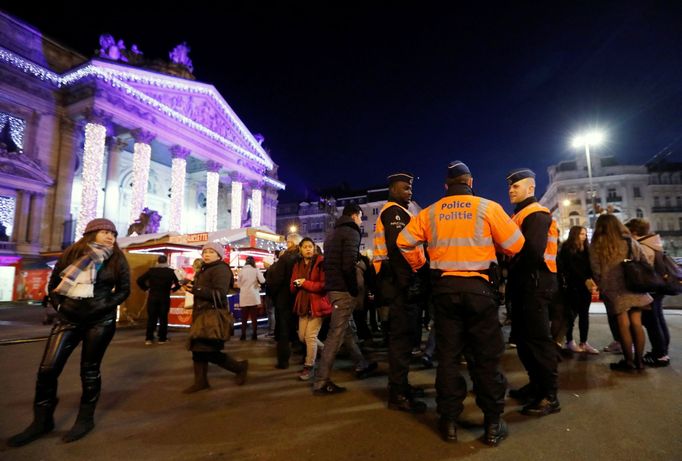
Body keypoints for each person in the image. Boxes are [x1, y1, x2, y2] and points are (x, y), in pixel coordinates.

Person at [397, 161, 524, 446]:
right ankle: (492, 422)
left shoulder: (430, 212)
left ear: (446, 186)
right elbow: (516, 244)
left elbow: (404, 241)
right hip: (480, 290)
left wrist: (421, 263)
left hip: (444, 291)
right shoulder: (487, 207)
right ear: (470, 181)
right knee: (485, 358)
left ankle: (449, 421)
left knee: (449, 358)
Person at [7, 218, 130, 446]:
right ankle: (42, 421)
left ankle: (85, 419)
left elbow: (124, 290)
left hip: (100, 321)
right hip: (68, 319)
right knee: (47, 369)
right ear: (91, 234)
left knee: (89, 370)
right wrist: (60, 307)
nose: (110, 236)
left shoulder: (117, 258)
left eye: (112, 232)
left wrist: (104, 305)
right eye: (104, 232)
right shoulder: (71, 254)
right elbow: (54, 284)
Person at [505, 168, 561, 417]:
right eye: (510, 186)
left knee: (538, 342)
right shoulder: (520, 215)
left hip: (535, 284)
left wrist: (511, 271)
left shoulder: (536, 214)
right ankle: (536, 386)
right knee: (526, 342)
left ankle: (549, 396)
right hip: (527, 284)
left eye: (516, 186)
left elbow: (531, 254)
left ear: (531, 188)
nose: (511, 189)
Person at [373, 172, 427, 414]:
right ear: (393, 189)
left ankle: (402, 386)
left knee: (403, 340)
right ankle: (397, 393)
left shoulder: (401, 212)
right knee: (400, 340)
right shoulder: (393, 212)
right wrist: (410, 281)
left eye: (410, 188)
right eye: (405, 188)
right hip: (398, 283)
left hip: (398, 282)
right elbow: (398, 250)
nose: (409, 192)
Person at [313, 204, 377, 395]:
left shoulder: (332, 233)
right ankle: (321, 381)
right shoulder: (351, 232)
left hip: (332, 287)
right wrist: (353, 288)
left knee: (345, 331)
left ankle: (361, 363)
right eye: (360, 217)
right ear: (355, 215)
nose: (361, 221)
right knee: (336, 334)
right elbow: (348, 264)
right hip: (343, 289)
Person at [589, 215, 652, 371]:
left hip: (614, 291)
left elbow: (596, 271)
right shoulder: (630, 242)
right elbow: (645, 262)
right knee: (637, 324)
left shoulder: (597, 245)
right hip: (634, 287)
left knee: (623, 325)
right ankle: (640, 362)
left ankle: (628, 362)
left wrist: (604, 284)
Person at [183, 242, 247, 393]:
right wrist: (192, 287)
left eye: (211, 252)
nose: (207, 254)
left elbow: (219, 293)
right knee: (197, 349)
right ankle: (201, 382)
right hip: (202, 316)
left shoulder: (221, 269)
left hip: (212, 316)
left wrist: (196, 289)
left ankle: (239, 367)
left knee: (209, 351)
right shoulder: (205, 269)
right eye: (205, 251)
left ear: (219, 255)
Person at [625, 218, 671, 367]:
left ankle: (660, 354)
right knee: (658, 319)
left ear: (634, 232)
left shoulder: (643, 246)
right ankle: (662, 351)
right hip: (659, 286)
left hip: (650, 288)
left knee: (652, 322)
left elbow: (642, 268)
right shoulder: (653, 242)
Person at [291, 237, 330, 380]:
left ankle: (309, 366)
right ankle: (327, 351)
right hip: (303, 304)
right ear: (300, 249)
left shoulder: (321, 262)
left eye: (310, 246)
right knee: (302, 337)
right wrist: (296, 285)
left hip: (317, 304)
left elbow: (323, 285)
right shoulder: (298, 264)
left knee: (310, 336)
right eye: (305, 247)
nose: (308, 249)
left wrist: (305, 283)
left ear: (314, 248)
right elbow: (292, 284)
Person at [557, 226, 599, 354]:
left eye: (585, 234)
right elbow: (569, 267)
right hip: (572, 286)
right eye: (581, 234)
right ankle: (569, 341)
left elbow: (590, 267)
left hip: (585, 287)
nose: (584, 236)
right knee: (570, 315)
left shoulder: (587, 249)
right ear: (575, 234)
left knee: (584, 314)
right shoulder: (567, 249)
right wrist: (584, 278)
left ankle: (584, 342)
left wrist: (592, 280)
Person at [267, 234, 302, 369]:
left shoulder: (285, 258)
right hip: (299, 298)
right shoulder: (302, 259)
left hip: (284, 299)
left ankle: (283, 361)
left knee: (283, 331)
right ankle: (305, 356)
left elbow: (277, 279)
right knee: (301, 328)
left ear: (291, 243)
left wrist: (274, 295)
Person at [137, 255, 181, 345]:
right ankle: (162, 338)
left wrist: (146, 288)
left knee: (151, 318)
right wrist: (173, 289)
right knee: (163, 318)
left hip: (152, 297)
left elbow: (139, 280)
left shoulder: (151, 271)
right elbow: (180, 282)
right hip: (164, 297)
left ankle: (149, 338)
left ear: (158, 261)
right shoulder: (171, 272)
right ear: (166, 261)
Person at [238, 256, 265, 341]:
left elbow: (238, 284)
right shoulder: (256, 270)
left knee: (244, 317)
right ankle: (254, 334)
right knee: (254, 317)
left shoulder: (241, 271)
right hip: (253, 295)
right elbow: (263, 280)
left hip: (244, 296)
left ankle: (243, 335)